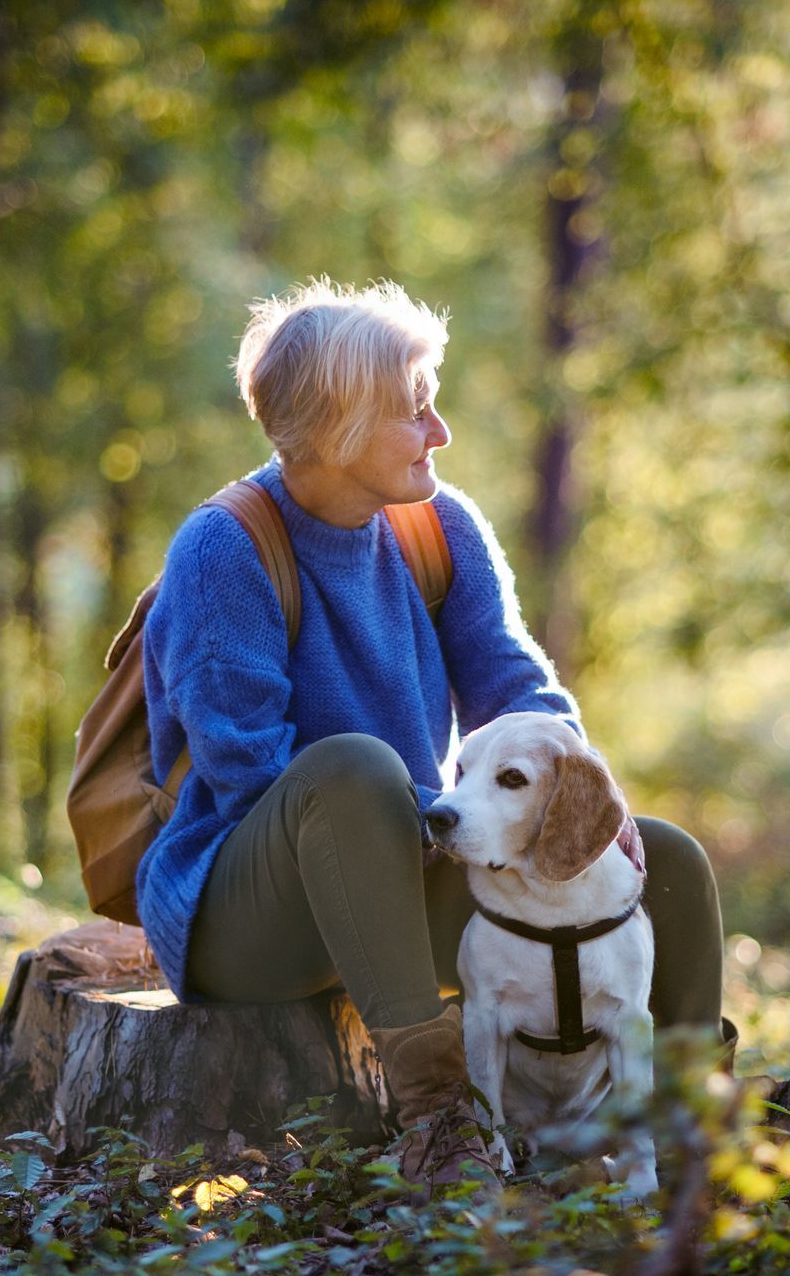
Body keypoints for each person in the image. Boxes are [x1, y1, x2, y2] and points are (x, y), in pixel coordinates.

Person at [137, 278, 730, 1186]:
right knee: (353, 770)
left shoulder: (440, 527)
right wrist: (439, 814)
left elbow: (521, 689)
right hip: (254, 911)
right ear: (338, 425)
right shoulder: (224, 549)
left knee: (668, 859)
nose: (440, 433)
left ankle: (687, 1136)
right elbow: (249, 770)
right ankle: (442, 1122)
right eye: (416, 411)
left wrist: (586, 800)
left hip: (411, 865)